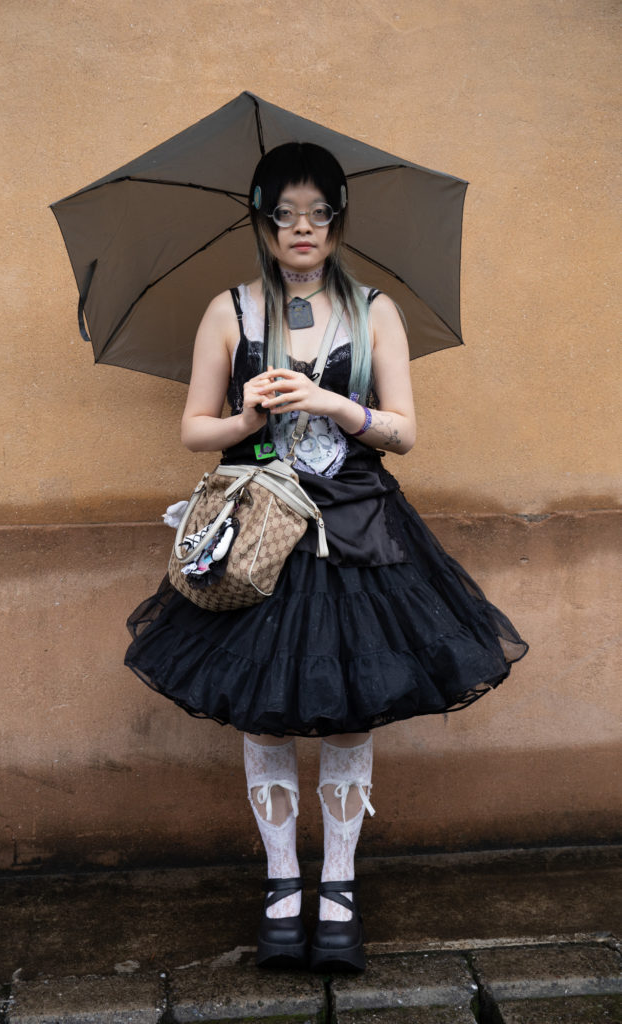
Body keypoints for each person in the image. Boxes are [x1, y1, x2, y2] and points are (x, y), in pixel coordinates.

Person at [125, 142, 527, 972]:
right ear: (263, 222)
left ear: (339, 221)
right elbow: (194, 429)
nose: (301, 228)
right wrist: (245, 418)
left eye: (317, 213)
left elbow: (403, 432)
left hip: (358, 534)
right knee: (261, 708)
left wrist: (332, 402)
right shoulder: (229, 310)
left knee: (350, 707)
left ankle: (337, 887)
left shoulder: (375, 310)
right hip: (260, 535)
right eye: (285, 214)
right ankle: (282, 887)